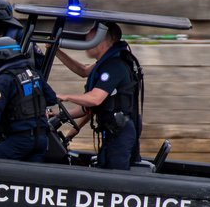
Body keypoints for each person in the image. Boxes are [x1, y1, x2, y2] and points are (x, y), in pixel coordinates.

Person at [55, 22, 144, 170]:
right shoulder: (106, 63)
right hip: (112, 131)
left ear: (102, 41)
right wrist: (56, 50)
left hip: (120, 134)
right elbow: (83, 71)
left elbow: (95, 99)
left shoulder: (114, 67)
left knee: (115, 178)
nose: (86, 42)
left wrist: (66, 96)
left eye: (90, 38)